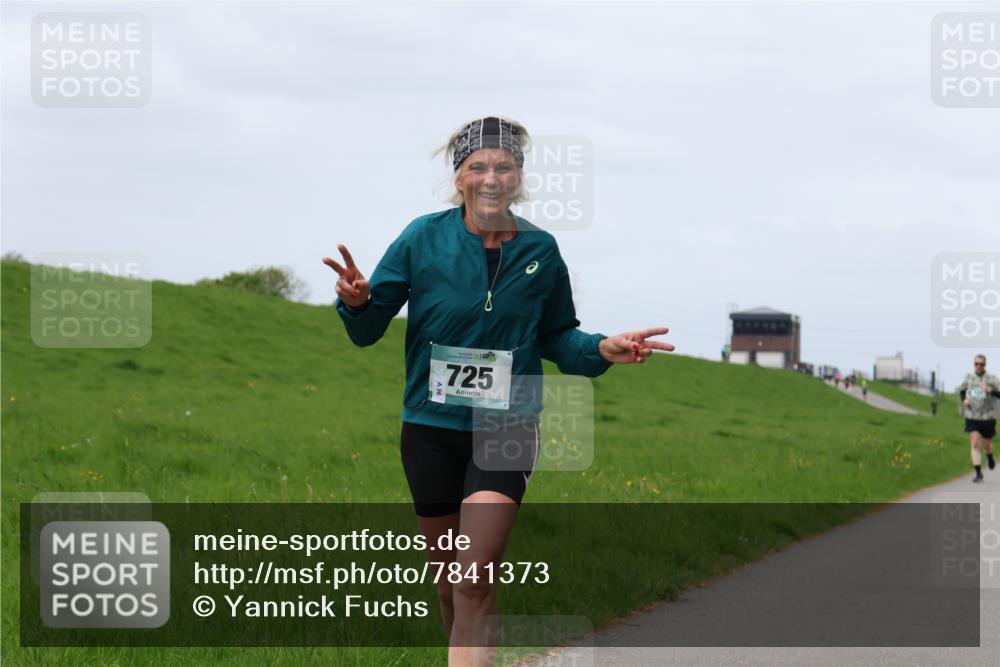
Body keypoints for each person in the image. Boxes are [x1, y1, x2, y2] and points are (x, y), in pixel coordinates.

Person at [324, 116, 674, 666]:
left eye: (504, 167)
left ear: (519, 178)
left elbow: (558, 336)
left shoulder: (542, 250)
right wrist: (359, 302)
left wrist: (601, 348)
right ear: (459, 178)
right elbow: (367, 330)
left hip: (506, 427)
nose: (491, 178)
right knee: (449, 585)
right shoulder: (421, 239)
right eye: (478, 167)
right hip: (430, 430)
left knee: (474, 577)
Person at [957, 354, 1000, 483]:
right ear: (974, 364)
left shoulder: (991, 378)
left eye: (981, 364)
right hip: (972, 415)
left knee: (986, 444)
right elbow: (962, 390)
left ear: (985, 365)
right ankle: (978, 473)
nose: (979, 366)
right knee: (975, 442)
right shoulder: (969, 377)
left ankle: (989, 455)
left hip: (988, 416)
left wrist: (990, 390)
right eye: (976, 363)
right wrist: (964, 400)